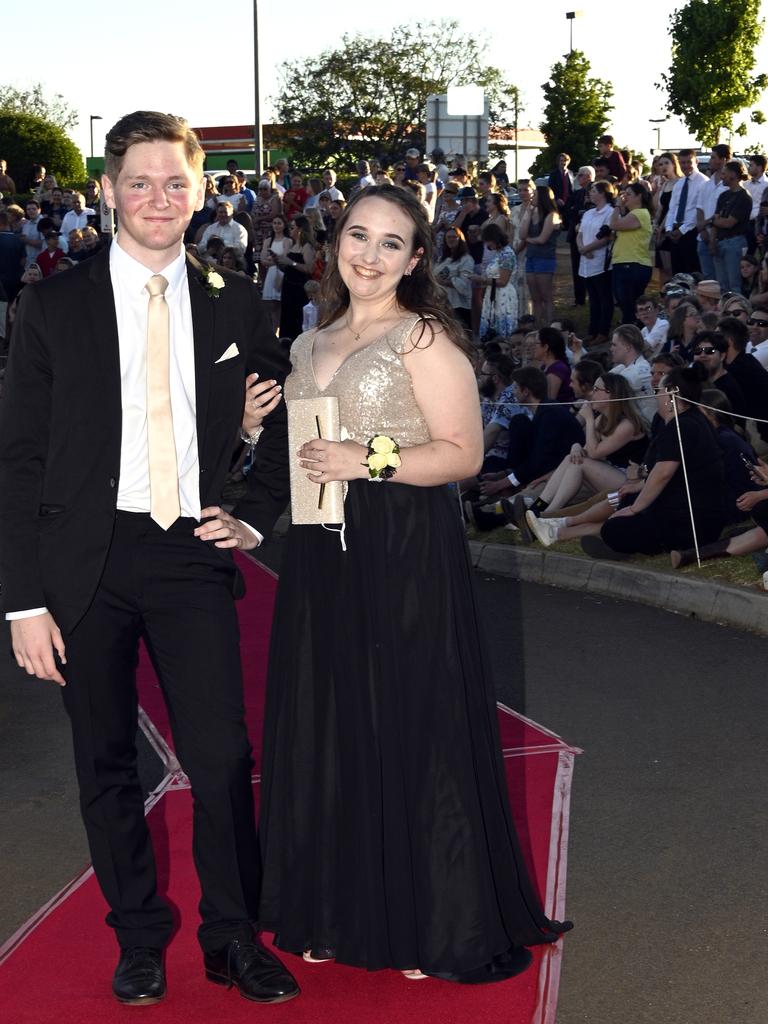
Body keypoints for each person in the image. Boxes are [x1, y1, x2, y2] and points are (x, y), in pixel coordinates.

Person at [0, 110, 297, 1007]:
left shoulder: (238, 298)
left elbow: (285, 416)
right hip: (82, 560)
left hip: (189, 550)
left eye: (176, 182)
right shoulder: (54, 305)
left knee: (220, 757)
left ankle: (231, 934)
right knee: (105, 763)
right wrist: (21, 603)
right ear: (108, 190)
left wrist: (250, 516)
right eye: (139, 181)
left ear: (201, 189)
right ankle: (137, 936)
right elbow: (17, 457)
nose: (158, 198)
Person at [255, 182, 570, 981]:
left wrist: (370, 459)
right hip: (321, 554)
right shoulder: (306, 341)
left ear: (416, 258)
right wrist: (256, 426)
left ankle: (434, 919)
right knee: (330, 727)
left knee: (410, 726)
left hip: (403, 550)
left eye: (390, 242)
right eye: (357, 235)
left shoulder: (425, 339)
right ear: (334, 243)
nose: (368, 254)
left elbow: (462, 454)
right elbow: (293, 457)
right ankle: (335, 907)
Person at [581, 368, 727, 559]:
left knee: (613, 528)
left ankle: (632, 547)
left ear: (670, 395)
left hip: (691, 523)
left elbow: (663, 473)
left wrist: (635, 508)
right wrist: (638, 489)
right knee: (627, 498)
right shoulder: (693, 420)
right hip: (699, 514)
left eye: (658, 391)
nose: (655, 395)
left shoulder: (680, 426)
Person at [609, 182, 654, 324]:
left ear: (639, 196)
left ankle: (632, 334)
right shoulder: (633, 214)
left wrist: (617, 206)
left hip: (632, 264)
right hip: (627, 263)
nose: (624, 197)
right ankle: (635, 332)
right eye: (624, 194)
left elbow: (614, 224)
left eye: (628, 194)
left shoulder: (639, 213)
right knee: (629, 305)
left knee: (629, 305)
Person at [577, 180, 615, 343]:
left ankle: (603, 331)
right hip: (585, 261)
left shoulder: (610, 212)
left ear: (603, 193)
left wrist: (589, 248)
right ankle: (592, 330)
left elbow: (607, 237)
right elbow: (580, 233)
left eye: (593, 190)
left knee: (604, 298)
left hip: (600, 262)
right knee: (592, 298)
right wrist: (582, 248)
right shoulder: (588, 213)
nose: (590, 193)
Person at [519, 185, 561, 327]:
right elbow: (522, 234)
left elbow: (542, 239)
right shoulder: (533, 213)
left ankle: (550, 325)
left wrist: (529, 240)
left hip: (545, 258)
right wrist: (528, 214)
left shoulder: (552, 215)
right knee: (535, 297)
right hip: (531, 257)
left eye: (535, 194)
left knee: (546, 296)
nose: (532, 197)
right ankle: (536, 326)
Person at [708, 160, 752, 294]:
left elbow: (729, 223)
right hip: (719, 242)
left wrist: (716, 220)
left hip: (735, 243)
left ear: (733, 174)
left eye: (724, 173)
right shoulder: (723, 195)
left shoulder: (744, 197)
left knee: (734, 284)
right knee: (721, 285)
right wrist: (712, 241)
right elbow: (716, 219)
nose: (722, 177)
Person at [473, 222, 518, 342]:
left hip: (503, 295)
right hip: (492, 293)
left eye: (488, 240)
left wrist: (482, 280)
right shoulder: (499, 253)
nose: (487, 244)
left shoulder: (507, 254)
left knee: (500, 324)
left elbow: (503, 281)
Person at [277, 214, 315, 340]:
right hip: (288, 285)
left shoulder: (307, 247)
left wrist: (291, 263)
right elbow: (288, 266)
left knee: (296, 318)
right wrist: (280, 262)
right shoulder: (292, 245)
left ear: (300, 229)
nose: (290, 230)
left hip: (299, 288)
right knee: (286, 316)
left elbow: (309, 268)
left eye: (293, 227)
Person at [433, 225, 474, 330]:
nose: (451, 240)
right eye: (448, 237)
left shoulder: (466, 260)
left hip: (459, 306)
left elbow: (464, 285)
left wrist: (445, 282)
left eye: (453, 237)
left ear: (460, 239)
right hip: (442, 305)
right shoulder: (442, 260)